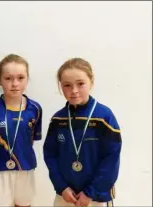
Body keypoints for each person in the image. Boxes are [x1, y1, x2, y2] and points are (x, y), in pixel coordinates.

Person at [43, 57, 122, 207]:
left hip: (96, 197)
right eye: (67, 85)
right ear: (60, 86)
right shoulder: (58, 119)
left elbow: (111, 159)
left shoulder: (104, 117)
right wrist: (62, 187)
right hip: (66, 196)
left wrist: (90, 192)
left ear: (91, 82)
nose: (74, 91)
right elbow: (50, 155)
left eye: (80, 84)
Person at [0, 54, 42, 207]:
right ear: (0, 80)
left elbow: (30, 139)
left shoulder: (35, 109)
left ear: (27, 79)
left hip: (25, 168)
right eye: (8, 78)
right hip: (0, 169)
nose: (15, 83)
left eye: (20, 78)